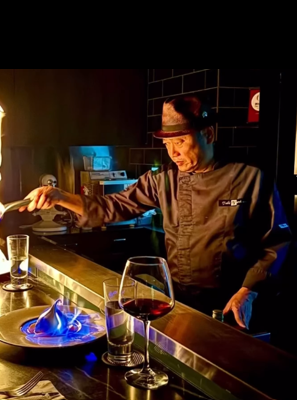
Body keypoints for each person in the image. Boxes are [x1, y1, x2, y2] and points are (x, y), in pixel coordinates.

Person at [20, 94, 292, 329]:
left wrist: (248, 291)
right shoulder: (163, 179)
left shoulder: (250, 178)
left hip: (234, 303)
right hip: (180, 301)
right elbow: (111, 207)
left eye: (180, 142)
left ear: (208, 134)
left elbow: (277, 242)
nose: (173, 153)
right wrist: (60, 197)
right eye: (167, 144)